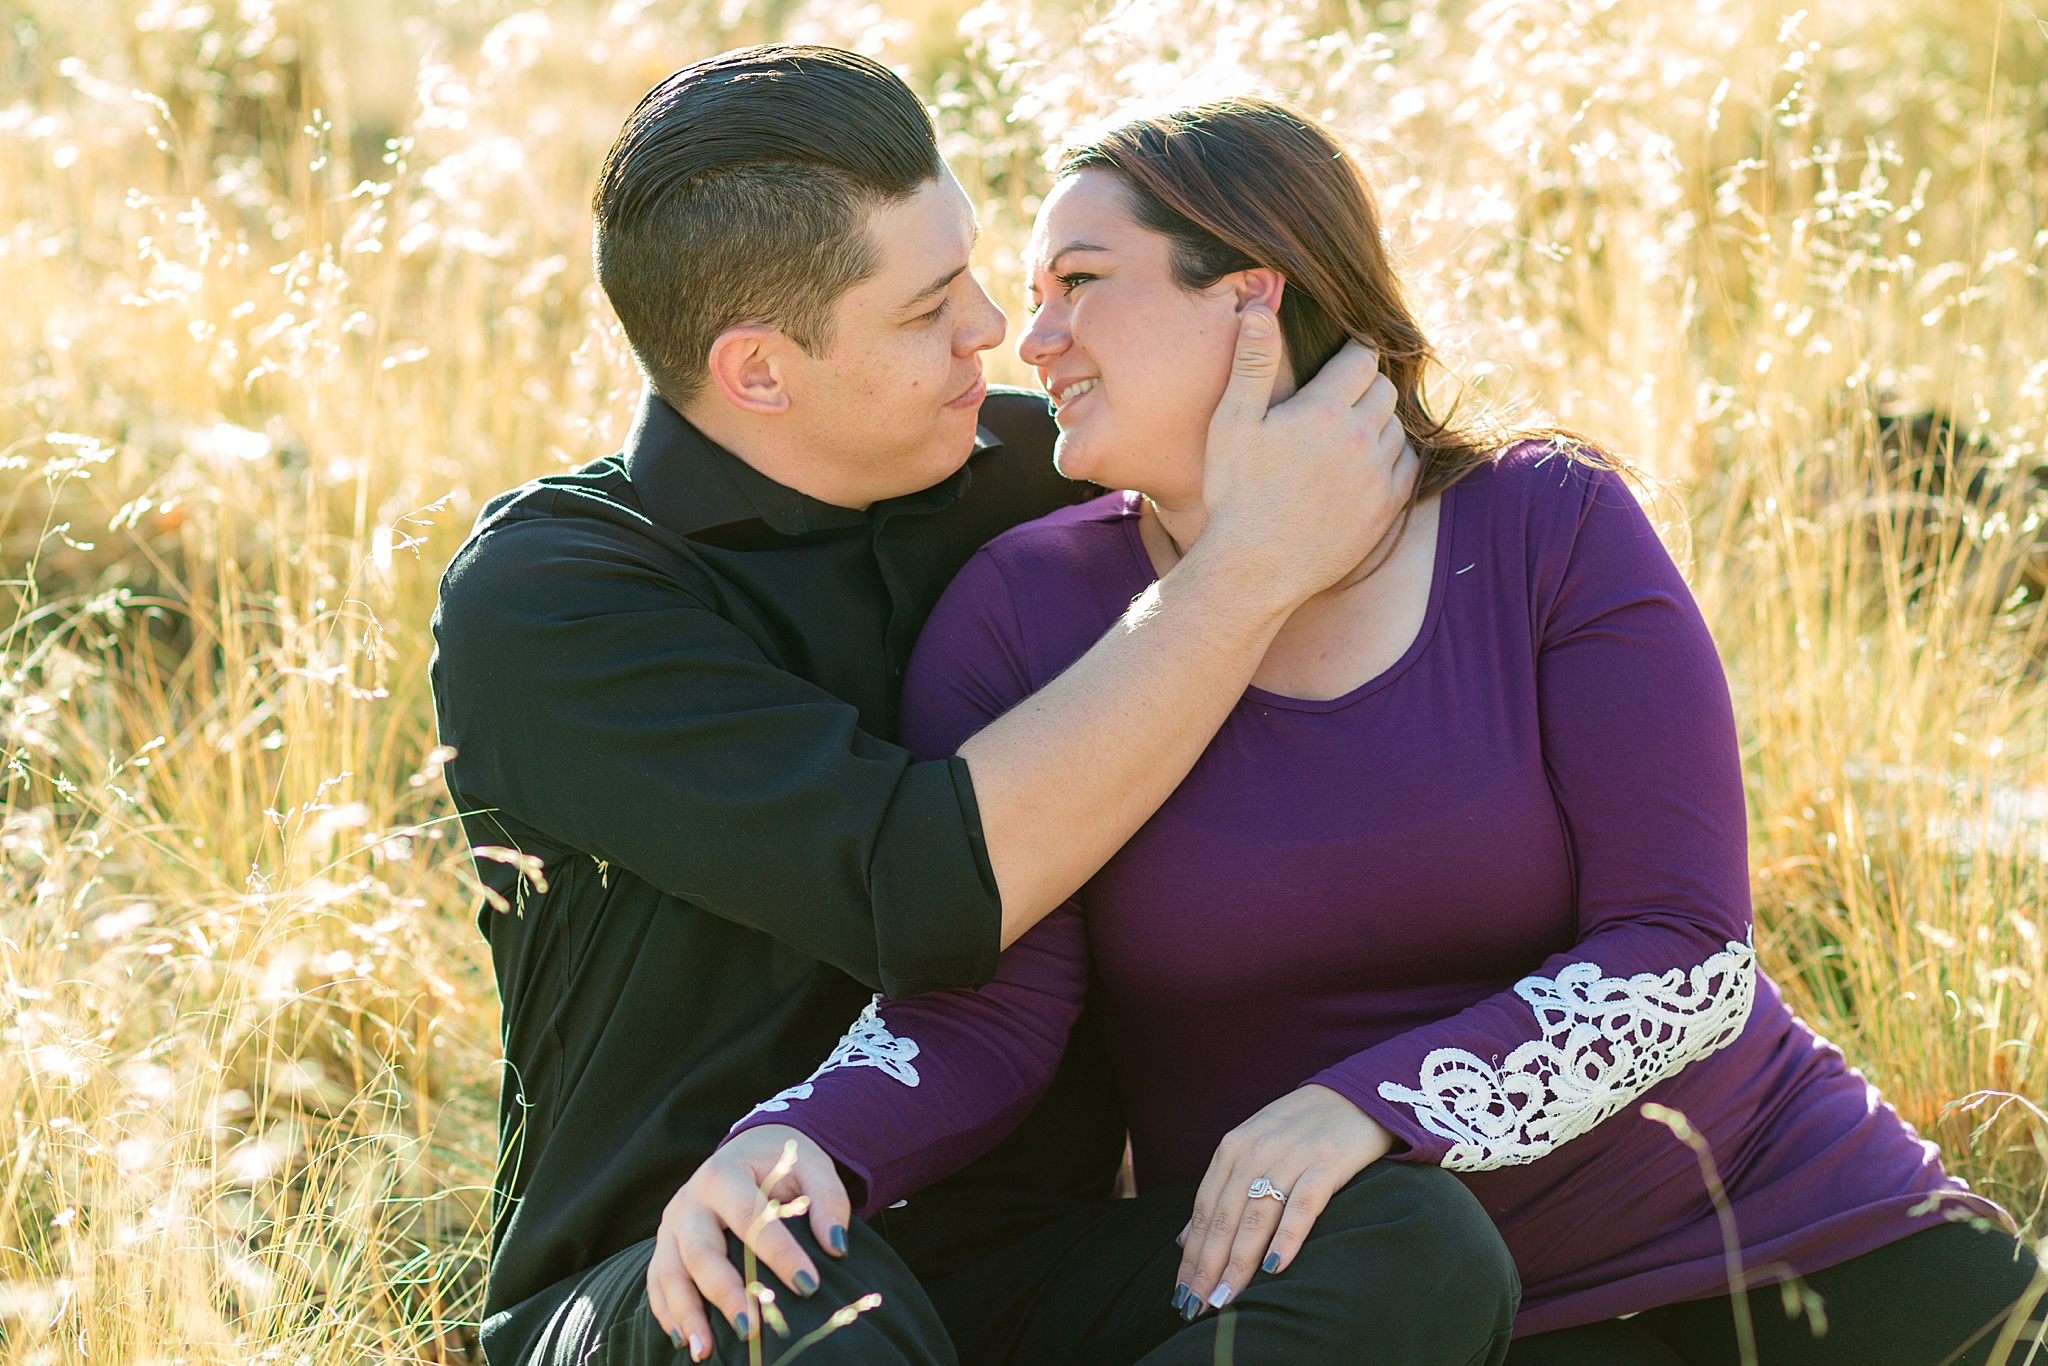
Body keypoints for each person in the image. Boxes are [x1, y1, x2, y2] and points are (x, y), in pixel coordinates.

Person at [683, 97, 2046, 1365]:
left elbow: (1685, 956)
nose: (1031, 343)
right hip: (1378, 1306)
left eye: (1079, 283)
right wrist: (801, 1142)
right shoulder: (1024, 610)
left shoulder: (1545, 526)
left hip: (1796, 1225)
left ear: (1253, 295)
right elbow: (989, 1012)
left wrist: (1372, 1105)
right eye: (1033, 297)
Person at [430, 48, 1519, 1366]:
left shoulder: (1041, 473)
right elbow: (924, 884)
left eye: (977, 272)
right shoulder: (557, 596)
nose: (995, 328)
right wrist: (1245, 570)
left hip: (1019, 1257)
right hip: (683, 1264)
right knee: (808, 1323)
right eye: (928, 308)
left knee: (1406, 1244)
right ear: (761, 371)